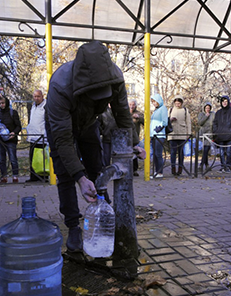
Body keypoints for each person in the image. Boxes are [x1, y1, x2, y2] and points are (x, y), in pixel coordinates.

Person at [45, 41, 145, 253]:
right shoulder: (60, 87)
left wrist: (135, 143)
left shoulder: (115, 78)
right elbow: (63, 140)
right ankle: (73, 225)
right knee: (65, 174)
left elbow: (122, 114)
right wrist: (80, 178)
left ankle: (104, 209)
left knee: (96, 165)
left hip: (90, 122)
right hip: (61, 126)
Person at [0, 96, 22, 183]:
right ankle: (3, 176)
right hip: (0, 140)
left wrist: (14, 133)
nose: (1, 105)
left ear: (6, 103)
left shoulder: (13, 113)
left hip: (11, 140)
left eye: (3, 103)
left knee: (13, 158)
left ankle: (15, 176)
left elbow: (18, 126)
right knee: (1, 159)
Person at [212, 96, 231, 173]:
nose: (224, 103)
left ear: (228, 102)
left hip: (230, 135)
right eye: (223, 102)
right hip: (220, 135)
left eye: (226, 101)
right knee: (221, 152)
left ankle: (227, 166)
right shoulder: (218, 112)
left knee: (229, 151)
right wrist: (216, 131)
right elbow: (215, 122)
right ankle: (222, 166)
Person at [167, 95, 192, 176]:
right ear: (174, 103)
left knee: (181, 152)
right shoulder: (170, 110)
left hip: (182, 133)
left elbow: (188, 122)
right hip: (172, 134)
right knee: (173, 152)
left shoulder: (185, 110)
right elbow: (166, 121)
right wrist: (170, 119)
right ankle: (173, 168)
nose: (177, 104)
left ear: (181, 103)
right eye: (176, 103)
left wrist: (188, 133)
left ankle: (180, 168)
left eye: (179, 103)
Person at [27, 89, 48, 182]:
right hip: (32, 137)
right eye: (35, 96)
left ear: (42, 96)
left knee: (41, 158)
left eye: (38, 96)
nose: (36, 98)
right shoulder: (33, 106)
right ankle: (33, 177)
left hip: (41, 137)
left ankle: (43, 176)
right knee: (32, 158)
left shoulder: (46, 106)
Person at [149, 94, 169, 178]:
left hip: (159, 135)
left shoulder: (163, 109)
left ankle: (160, 172)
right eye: (152, 102)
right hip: (154, 135)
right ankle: (156, 171)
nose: (153, 103)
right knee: (155, 154)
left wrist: (159, 128)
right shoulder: (156, 110)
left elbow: (165, 121)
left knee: (158, 154)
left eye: (155, 101)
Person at [197, 102, 214, 170]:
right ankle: (206, 164)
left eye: (209, 108)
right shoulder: (201, 114)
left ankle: (201, 164)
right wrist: (206, 116)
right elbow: (200, 123)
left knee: (206, 149)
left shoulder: (213, 114)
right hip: (203, 134)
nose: (208, 109)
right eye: (206, 108)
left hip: (210, 134)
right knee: (205, 150)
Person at [129, 100, 144, 176]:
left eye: (133, 104)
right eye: (130, 104)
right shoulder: (125, 113)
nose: (131, 106)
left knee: (135, 153)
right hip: (126, 137)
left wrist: (139, 118)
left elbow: (145, 122)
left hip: (134, 137)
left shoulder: (138, 113)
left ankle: (134, 170)